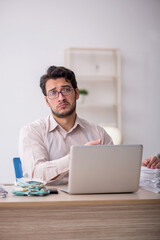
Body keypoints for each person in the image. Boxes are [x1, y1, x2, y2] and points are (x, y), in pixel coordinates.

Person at [19, 66, 160, 184]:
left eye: (66, 90)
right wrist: (77, 158)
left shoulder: (98, 132)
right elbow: (35, 174)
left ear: (77, 93)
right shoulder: (32, 131)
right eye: (53, 93)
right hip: (47, 205)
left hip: (91, 203)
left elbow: (114, 171)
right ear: (46, 101)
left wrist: (141, 168)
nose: (61, 97)